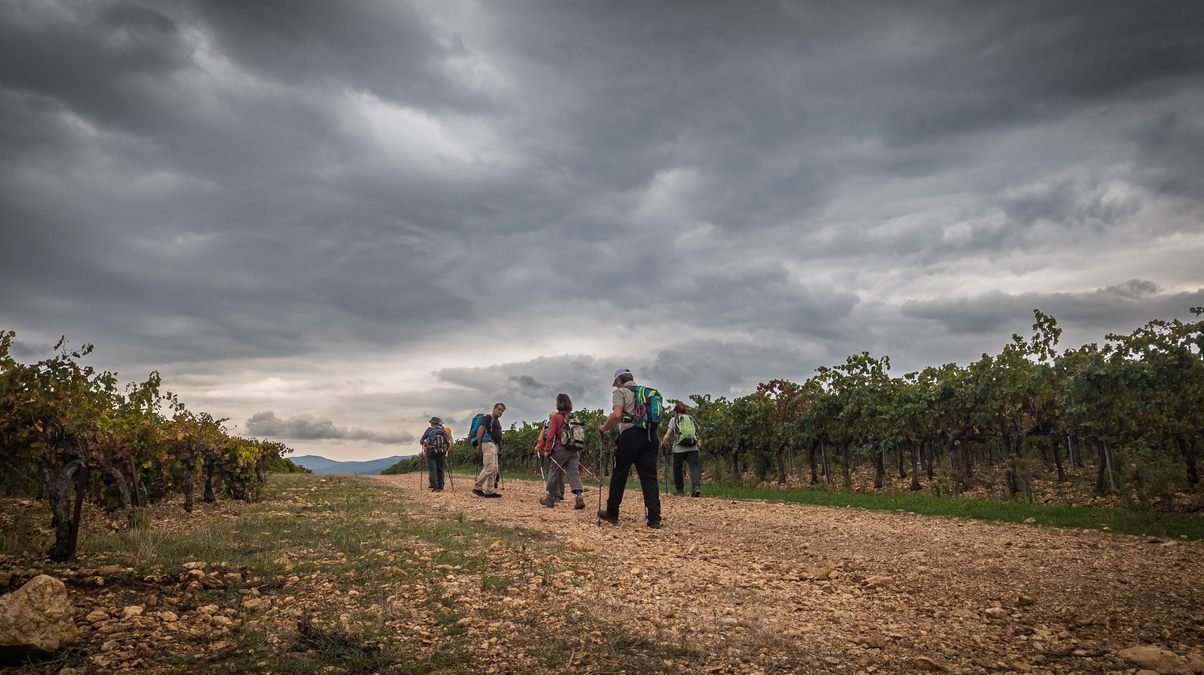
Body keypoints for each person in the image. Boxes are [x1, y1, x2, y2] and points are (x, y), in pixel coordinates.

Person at [597, 369, 662, 528]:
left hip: (630, 435)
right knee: (649, 476)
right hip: (651, 435)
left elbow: (617, 415)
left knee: (620, 473)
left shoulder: (621, 392)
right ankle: (654, 518)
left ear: (619, 381)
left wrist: (603, 428)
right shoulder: (646, 393)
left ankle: (612, 512)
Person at [538, 394, 586, 510]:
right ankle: (579, 496)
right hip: (574, 450)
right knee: (574, 473)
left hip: (560, 449)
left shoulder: (556, 417)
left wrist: (548, 450)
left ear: (558, 403)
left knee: (554, 472)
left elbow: (550, 435)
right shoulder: (574, 416)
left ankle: (549, 498)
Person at [661, 402, 702, 497]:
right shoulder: (690, 418)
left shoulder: (673, 419)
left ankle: (680, 490)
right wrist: (698, 443)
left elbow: (668, 435)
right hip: (693, 447)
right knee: (694, 467)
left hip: (679, 449)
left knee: (677, 468)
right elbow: (695, 432)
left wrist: (663, 443)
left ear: (676, 412)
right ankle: (696, 487)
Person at [472, 402, 505, 498]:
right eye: (499, 409)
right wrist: (478, 444)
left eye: (502, 411)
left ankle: (490, 491)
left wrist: (499, 448)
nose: (500, 412)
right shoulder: (487, 418)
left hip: (494, 445)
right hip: (487, 443)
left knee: (494, 469)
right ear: (494, 409)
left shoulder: (496, 421)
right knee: (489, 467)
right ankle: (477, 487)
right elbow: (480, 430)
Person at [533, 412, 565, 501]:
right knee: (561, 473)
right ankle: (561, 493)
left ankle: (555, 494)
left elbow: (542, 440)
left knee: (554, 473)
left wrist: (538, 448)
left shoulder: (548, 426)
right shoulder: (563, 425)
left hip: (553, 452)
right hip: (563, 452)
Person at [420, 417, 450, 491]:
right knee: (440, 469)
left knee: (433, 469)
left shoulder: (429, 430)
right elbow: (448, 441)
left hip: (431, 451)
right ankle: (441, 486)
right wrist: (446, 449)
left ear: (432, 423)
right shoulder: (443, 430)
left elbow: (422, 440)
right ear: (439, 423)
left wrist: (424, 445)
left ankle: (435, 487)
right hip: (442, 451)